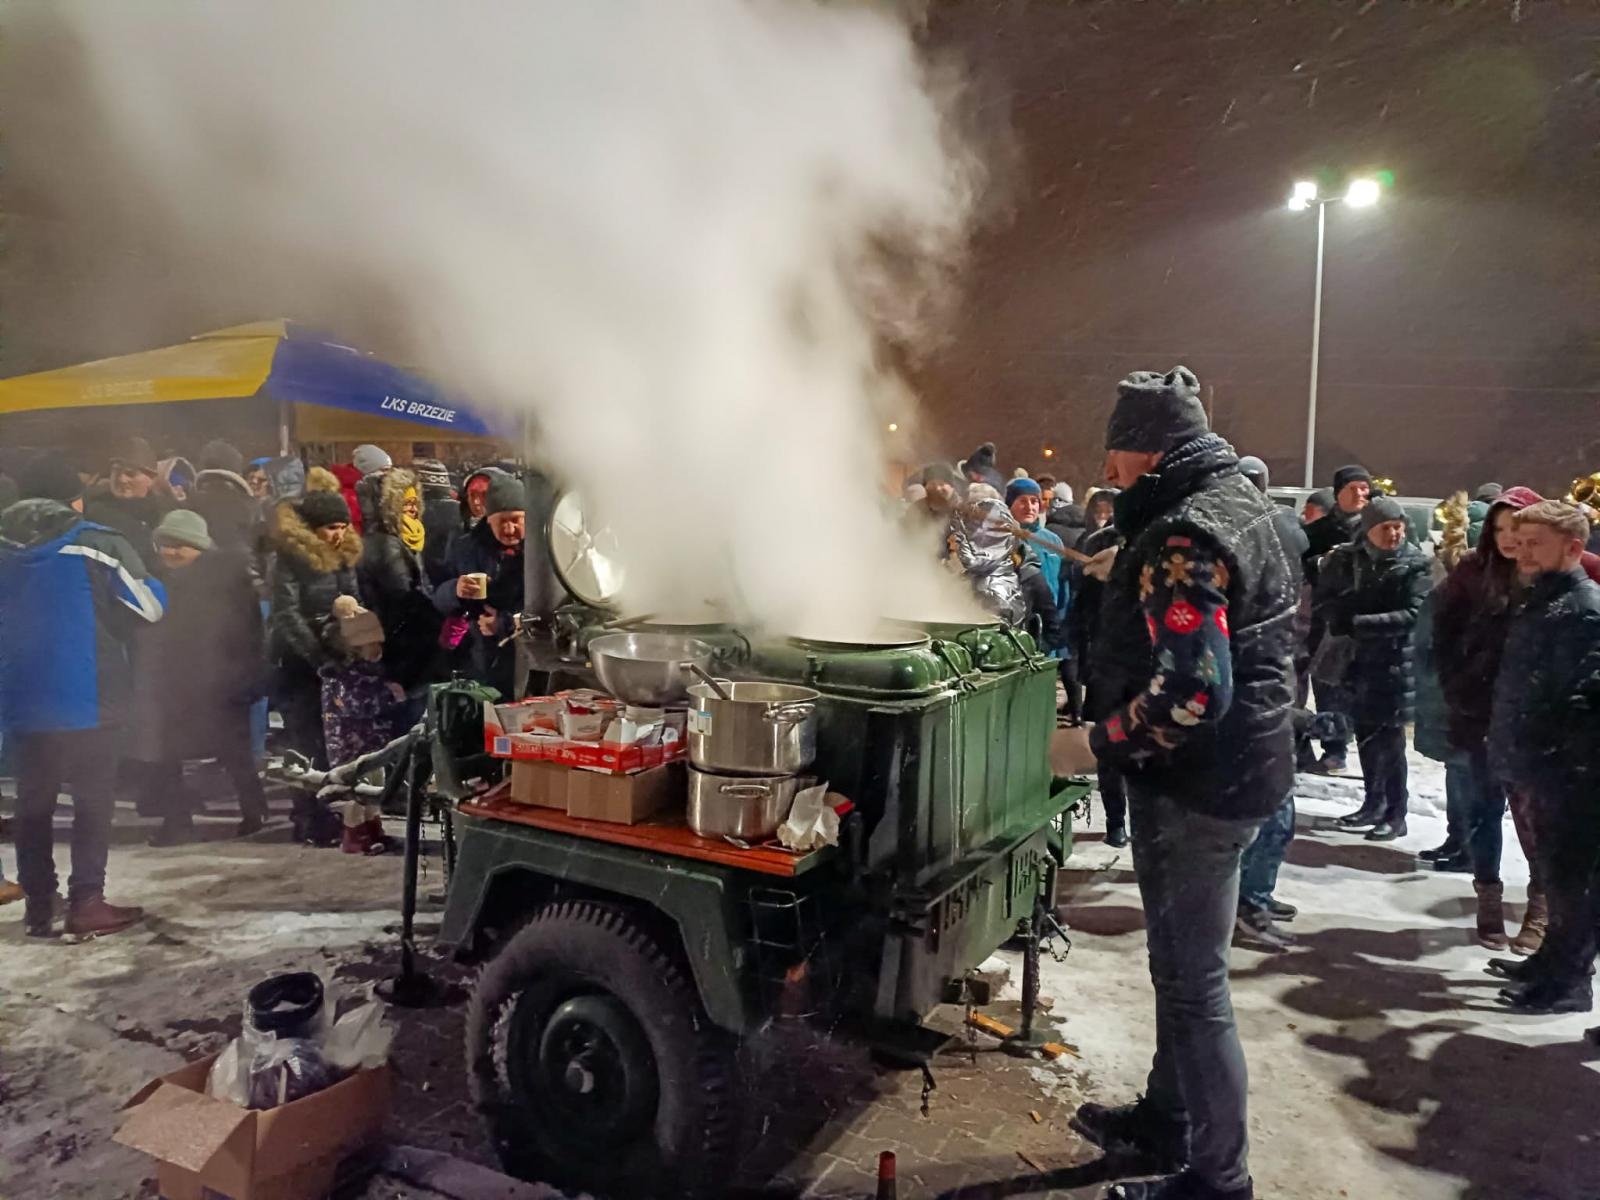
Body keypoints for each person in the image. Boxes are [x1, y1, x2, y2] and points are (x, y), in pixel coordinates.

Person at [1051, 366, 1296, 1200]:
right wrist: (1129, 575)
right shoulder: (1237, 499)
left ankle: (1218, 1179)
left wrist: (1095, 744)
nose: (1108, 473)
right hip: (1244, 769)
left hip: (1200, 784)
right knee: (1180, 975)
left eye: (1115, 456)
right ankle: (1166, 1121)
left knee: (1195, 989)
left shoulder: (1184, 533)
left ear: (1144, 451)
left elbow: (1193, 690)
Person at [0, 453, 165, 938]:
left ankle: (38, 906)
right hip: (93, 695)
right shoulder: (96, 543)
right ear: (72, 498)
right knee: (93, 802)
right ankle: (86, 902)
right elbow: (150, 606)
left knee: (33, 805)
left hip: (21, 697)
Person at [1487, 501, 1600, 1014]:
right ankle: (1550, 963)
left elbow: (1585, 698)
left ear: (1574, 549)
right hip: (1540, 763)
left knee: (1572, 880)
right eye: (1521, 541)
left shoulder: (1583, 609)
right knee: (1556, 874)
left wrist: (1556, 749)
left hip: (1572, 774)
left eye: (1537, 544)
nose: (1522, 551)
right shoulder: (1543, 598)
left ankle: (1570, 983)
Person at [1433, 486, 1544, 948]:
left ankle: (1540, 906)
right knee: (1483, 810)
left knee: (1534, 817)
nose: (1506, 538)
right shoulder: (1472, 573)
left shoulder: (1550, 573)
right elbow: (1443, 635)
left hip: (1532, 719)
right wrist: (1458, 687)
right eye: (1498, 529)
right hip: (1478, 713)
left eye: (1516, 528)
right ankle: (1489, 898)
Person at [134, 510, 269, 845]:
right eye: (164, 544)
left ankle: (254, 810)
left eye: (179, 545)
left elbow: (251, 633)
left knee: (234, 750)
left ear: (199, 546)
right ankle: (177, 821)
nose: (170, 552)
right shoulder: (157, 581)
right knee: (168, 754)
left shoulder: (230, 581)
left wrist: (248, 675)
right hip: (174, 681)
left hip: (221, 679)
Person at [1316, 497, 1430, 841]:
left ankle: (1396, 813)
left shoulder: (1415, 564)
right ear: (1369, 530)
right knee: (1366, 736)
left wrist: (1361, 623)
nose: (1395, 533)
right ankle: (1372, 803)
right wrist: (1336, 614)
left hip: (1395, 664)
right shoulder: (1348, 558)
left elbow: (1416, 613)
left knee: (1391, 742)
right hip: (1358, 663)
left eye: (1399, 526)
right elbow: (1326, 598)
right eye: (1386, 527)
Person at [1232, 455, 1308, 951]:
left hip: (1268, 696)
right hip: (1249, 710)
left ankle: (1255, 894)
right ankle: (1247, 904)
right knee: (1271, 815)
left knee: (1281, 816)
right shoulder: (1240, 539)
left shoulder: (1271, 533)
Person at [268, 467, 363, 769]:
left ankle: (330, 806)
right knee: (305, 738)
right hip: (299, 663)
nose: (339, 535)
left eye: (343, 527)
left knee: (333, 739)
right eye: (332, 527)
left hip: (335, 658)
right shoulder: (289, 558)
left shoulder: (344, 557)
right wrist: (318, 656)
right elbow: (287, 612)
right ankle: (306, 811)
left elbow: (353, 602)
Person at [1301, 466, 1374, 774]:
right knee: (1327, 683)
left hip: (1366, 621)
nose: (1360, 494)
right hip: (1327, 619)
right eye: (1353, 488)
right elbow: (1303, 564)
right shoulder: (1319, 532)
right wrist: (1320, 563)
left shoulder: (1376, 527)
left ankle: (1366, 751)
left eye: (1364, 489)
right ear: (1338, 493)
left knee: (1361, 689)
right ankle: (1334, 748)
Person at [321, 596, 405, 855]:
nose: (378, 649)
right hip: (351, 745)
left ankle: (373, 828)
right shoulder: (343, 676)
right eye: (372, 644)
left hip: (371, 743)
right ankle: (354, 834)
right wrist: (389, 696)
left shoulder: (368, 670)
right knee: (354, 794)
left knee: (372, 788)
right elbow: (356, 706)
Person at [434, 470, 527, 697]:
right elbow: (437, 595)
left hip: (526, 658)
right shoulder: (465, 547)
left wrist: (504, 622)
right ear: (489, 519)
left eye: (515, 520)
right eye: (501, 522)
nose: (508, 529)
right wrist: (455, 589)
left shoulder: (541, 551)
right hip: (480, 659)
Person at [357, 468, 442, 703]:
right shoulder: (388, 545)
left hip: (401, 644)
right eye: (406, 503)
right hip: (402, 647)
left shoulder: (404, 537)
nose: (413, 509)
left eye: (415, 502)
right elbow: (404, 599)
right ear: (391, 506)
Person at [83, 436, 172, 564]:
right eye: (116, 471)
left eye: (131, 474)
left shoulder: (165, 517)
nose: (122, 479)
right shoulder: (91, 511)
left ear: (151, 479)